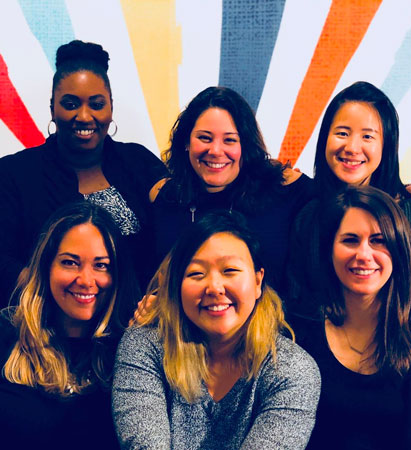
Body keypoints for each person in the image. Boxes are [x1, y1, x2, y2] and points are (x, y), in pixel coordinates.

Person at [113, 212, 321, 449]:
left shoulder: (292, 370)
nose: (214, 287)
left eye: (230, 270)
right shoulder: (145, 345)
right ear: (177, 286)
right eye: (196, 274)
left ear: (257, 281)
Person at [0, 40, 167, 307]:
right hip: (50, 323)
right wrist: (61, 298)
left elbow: (177, 229)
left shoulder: (139, 163)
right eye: (70, 104)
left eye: (97, 104)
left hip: (139, 319)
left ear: (111, 107)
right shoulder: (14, 174)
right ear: (52, 108)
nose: (85, 116)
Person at [291, 186, 411, 449]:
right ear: (329, 250)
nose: (364, 255)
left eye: (379, 241)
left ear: (399, 250)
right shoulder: (297, 336)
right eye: (350, 240)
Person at [287, 81, 411, 317]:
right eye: (342, 133)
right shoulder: (309, 216)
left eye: (368, 136)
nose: (352, 147)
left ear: (386, 146)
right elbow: (294, 306)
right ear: (325, 139)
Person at [147, 86, 316, 295]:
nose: (216, 151)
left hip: (273, 315)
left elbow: (339, 203)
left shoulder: (284, 189)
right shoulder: (164, 197)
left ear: (245, 146)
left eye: (229, 140)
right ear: (186, 143)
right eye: (205, 138)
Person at [0, 202, 141, 449]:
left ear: (117, 275)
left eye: (101, 265)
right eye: (70, 262)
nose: (85, 280)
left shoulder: (132, 351)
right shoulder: (6, 333)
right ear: (46, 266)